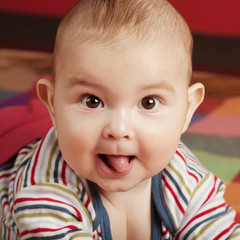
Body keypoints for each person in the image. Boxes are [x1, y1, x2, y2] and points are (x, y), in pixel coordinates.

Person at [0, 0, 239, 239]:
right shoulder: (45, 196)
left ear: (187, 110)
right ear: (52, 104)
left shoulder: (184, 177)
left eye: (148, 102)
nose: (118, 129)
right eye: (92, 101)